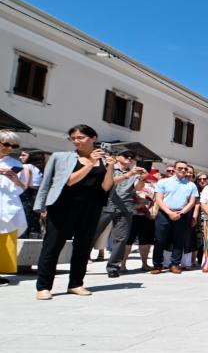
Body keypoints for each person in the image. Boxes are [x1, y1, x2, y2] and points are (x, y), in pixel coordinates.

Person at [34, 125, 115, 299]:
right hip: (62, 207)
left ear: (93, 138)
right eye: (73, 138)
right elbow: (68, 181)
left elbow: (106, 187)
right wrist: (90, 164)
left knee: (83, 248)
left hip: (91, 209)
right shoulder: (62, 157)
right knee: (52, 246)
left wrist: (109, 167)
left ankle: (76, 283)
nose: (77, 141)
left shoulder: (103, 160)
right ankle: (43, 286)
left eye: (81, 137)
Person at [95, 150, 145, 278]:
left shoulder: (134, 172)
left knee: (121, 239)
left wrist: (141, 178)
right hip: (106, 205)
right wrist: (129, 174)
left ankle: (113, 267)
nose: (129, 158)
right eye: (126, 156)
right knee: (93, 234)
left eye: (132, 157)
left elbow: (138, 188)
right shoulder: (109, 167)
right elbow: (109, 182)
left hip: (125, 208)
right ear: (117, 157)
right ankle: (80, 262)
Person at [151, 160, 199, 275]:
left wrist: (181, 213)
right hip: (164, 214)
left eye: (185, 169)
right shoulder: (163, 182)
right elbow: (159, 199)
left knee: (179, 241)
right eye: (180, 168)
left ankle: (175, 264)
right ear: (174, 169)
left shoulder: (191, 185)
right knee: (159, 240)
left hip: (181, 215)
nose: (183, 170)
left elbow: (192, 202)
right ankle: (157, 265)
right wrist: (169, 212)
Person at [0, 131, 27, 284]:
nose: (10, 148)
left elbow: (22, 188)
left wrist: (16, 180)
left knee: (4, 239)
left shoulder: (16, 164)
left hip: (7, 204)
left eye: (14, 146)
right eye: (7, 144)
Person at [123, 173, 157, 272]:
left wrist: (151, 211)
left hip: (146, 216)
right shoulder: (130, 183)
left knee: (145, 242)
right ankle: (122, 264)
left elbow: (154, 201)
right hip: (131, 215)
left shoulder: (153, 185)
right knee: (128, 241)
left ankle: (145, 264)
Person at [17, 149, 41, 238]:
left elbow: (25, 185)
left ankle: (22, 237)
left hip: (26, 194)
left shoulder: (26, 166)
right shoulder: (39, 167)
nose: (20, 157)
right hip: (37, 194)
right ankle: (34, 236)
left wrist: (15, 179)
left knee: (24, 216)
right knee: (34, 218)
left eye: (24, 155)